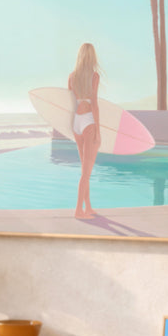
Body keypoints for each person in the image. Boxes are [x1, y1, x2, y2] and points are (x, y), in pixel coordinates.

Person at [68, 42, 102, 218]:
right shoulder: (94, 76)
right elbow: (94, 103)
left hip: (76, 122)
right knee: (86, 172)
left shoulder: (72, 76)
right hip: (88, 120)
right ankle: (78, 210)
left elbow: (70, 101)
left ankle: (87, 207)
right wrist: (98, 130)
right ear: (92, 56)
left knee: (84, 169)